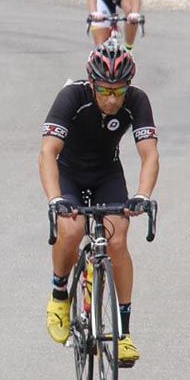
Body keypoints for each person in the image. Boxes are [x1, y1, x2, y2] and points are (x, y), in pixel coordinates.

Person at [39, 39, 159, 363]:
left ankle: (123, 333)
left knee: (117, 240)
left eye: (119, 91)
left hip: (107, 174)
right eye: (105, 90)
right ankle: (59, 295)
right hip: (69, 174)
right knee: (72, 229)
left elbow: (149, 155)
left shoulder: (137, 100)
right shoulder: (71, 97)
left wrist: (143, 195)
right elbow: (48, 152)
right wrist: (55, 199)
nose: (112, 99)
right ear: (92, 83)